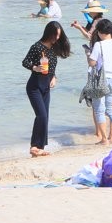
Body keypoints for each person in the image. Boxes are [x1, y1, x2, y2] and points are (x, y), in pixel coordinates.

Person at [22, 21, 71, 157]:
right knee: (41, 115)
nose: (56, 38)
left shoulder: (53, 49)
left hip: (46, 87)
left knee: (45, 117)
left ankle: (39, 147)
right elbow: (25, 62)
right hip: (34, 87)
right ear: (48, 33)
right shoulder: (37, 47)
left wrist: (54, 77)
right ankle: (34, 146)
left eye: (59, 36)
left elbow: (52, 67)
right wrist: (35, 68)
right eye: (54, 35)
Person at [86, 19, 112, 145]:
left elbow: (92, 63)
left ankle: (104, 139)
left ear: (100, 32)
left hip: (101, 79)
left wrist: (88, 54)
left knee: (99, 109)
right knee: (110, 109)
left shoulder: (99, 45)